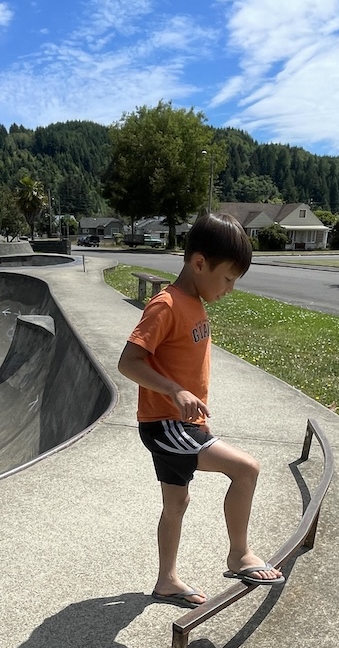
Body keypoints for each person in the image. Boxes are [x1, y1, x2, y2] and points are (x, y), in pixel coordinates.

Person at [118, 211, 285, 609]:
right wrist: (175, 391)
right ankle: (239, 555)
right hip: (167, 423)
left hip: (182, 423)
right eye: (227, 278)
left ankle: (166, 582)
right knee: (246, 468)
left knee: (177, 503)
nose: (229, 289)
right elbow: (129, 362)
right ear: (198, 263)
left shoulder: (193, 301)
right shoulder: (167, 305)